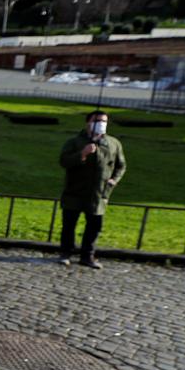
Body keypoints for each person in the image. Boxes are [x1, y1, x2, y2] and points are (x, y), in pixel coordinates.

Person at [58, 110, 126, 269]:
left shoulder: (113, 143)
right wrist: (82, 154)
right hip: (74, 191)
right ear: (88, 122)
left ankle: (87, 256)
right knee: (69, 225)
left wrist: (113, 180)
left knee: (94, 226)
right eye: (98, 121)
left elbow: (121, 165)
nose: (102, 124)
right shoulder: (74, 142)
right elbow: (63, 161)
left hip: (99, 193)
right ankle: (65, 253)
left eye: (104, 121)